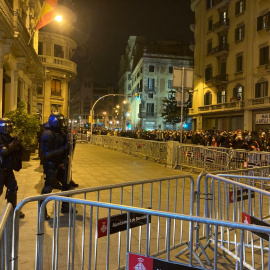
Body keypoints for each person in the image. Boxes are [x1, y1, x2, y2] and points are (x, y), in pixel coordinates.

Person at [41, 112, 76, 220]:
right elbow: (47, 154)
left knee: (66, 185)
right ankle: (42, 210)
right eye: (61, 122)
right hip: (51, 164)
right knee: (48, 188)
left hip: (61, 164)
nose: (63, 124)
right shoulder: (47, 134)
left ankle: (65, 207)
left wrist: (71, 141)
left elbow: (68, 148)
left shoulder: (60, 132)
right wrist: (64, 149)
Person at [0, 118, 24, 218]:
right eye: (6, 127)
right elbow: (4, 151)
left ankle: (13, 210)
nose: (8, 129)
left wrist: (19, 143)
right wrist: (14, 143)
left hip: (7, 169)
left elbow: (20, 151)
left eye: (10, 127)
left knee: (13, 188)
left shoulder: (10, 138)